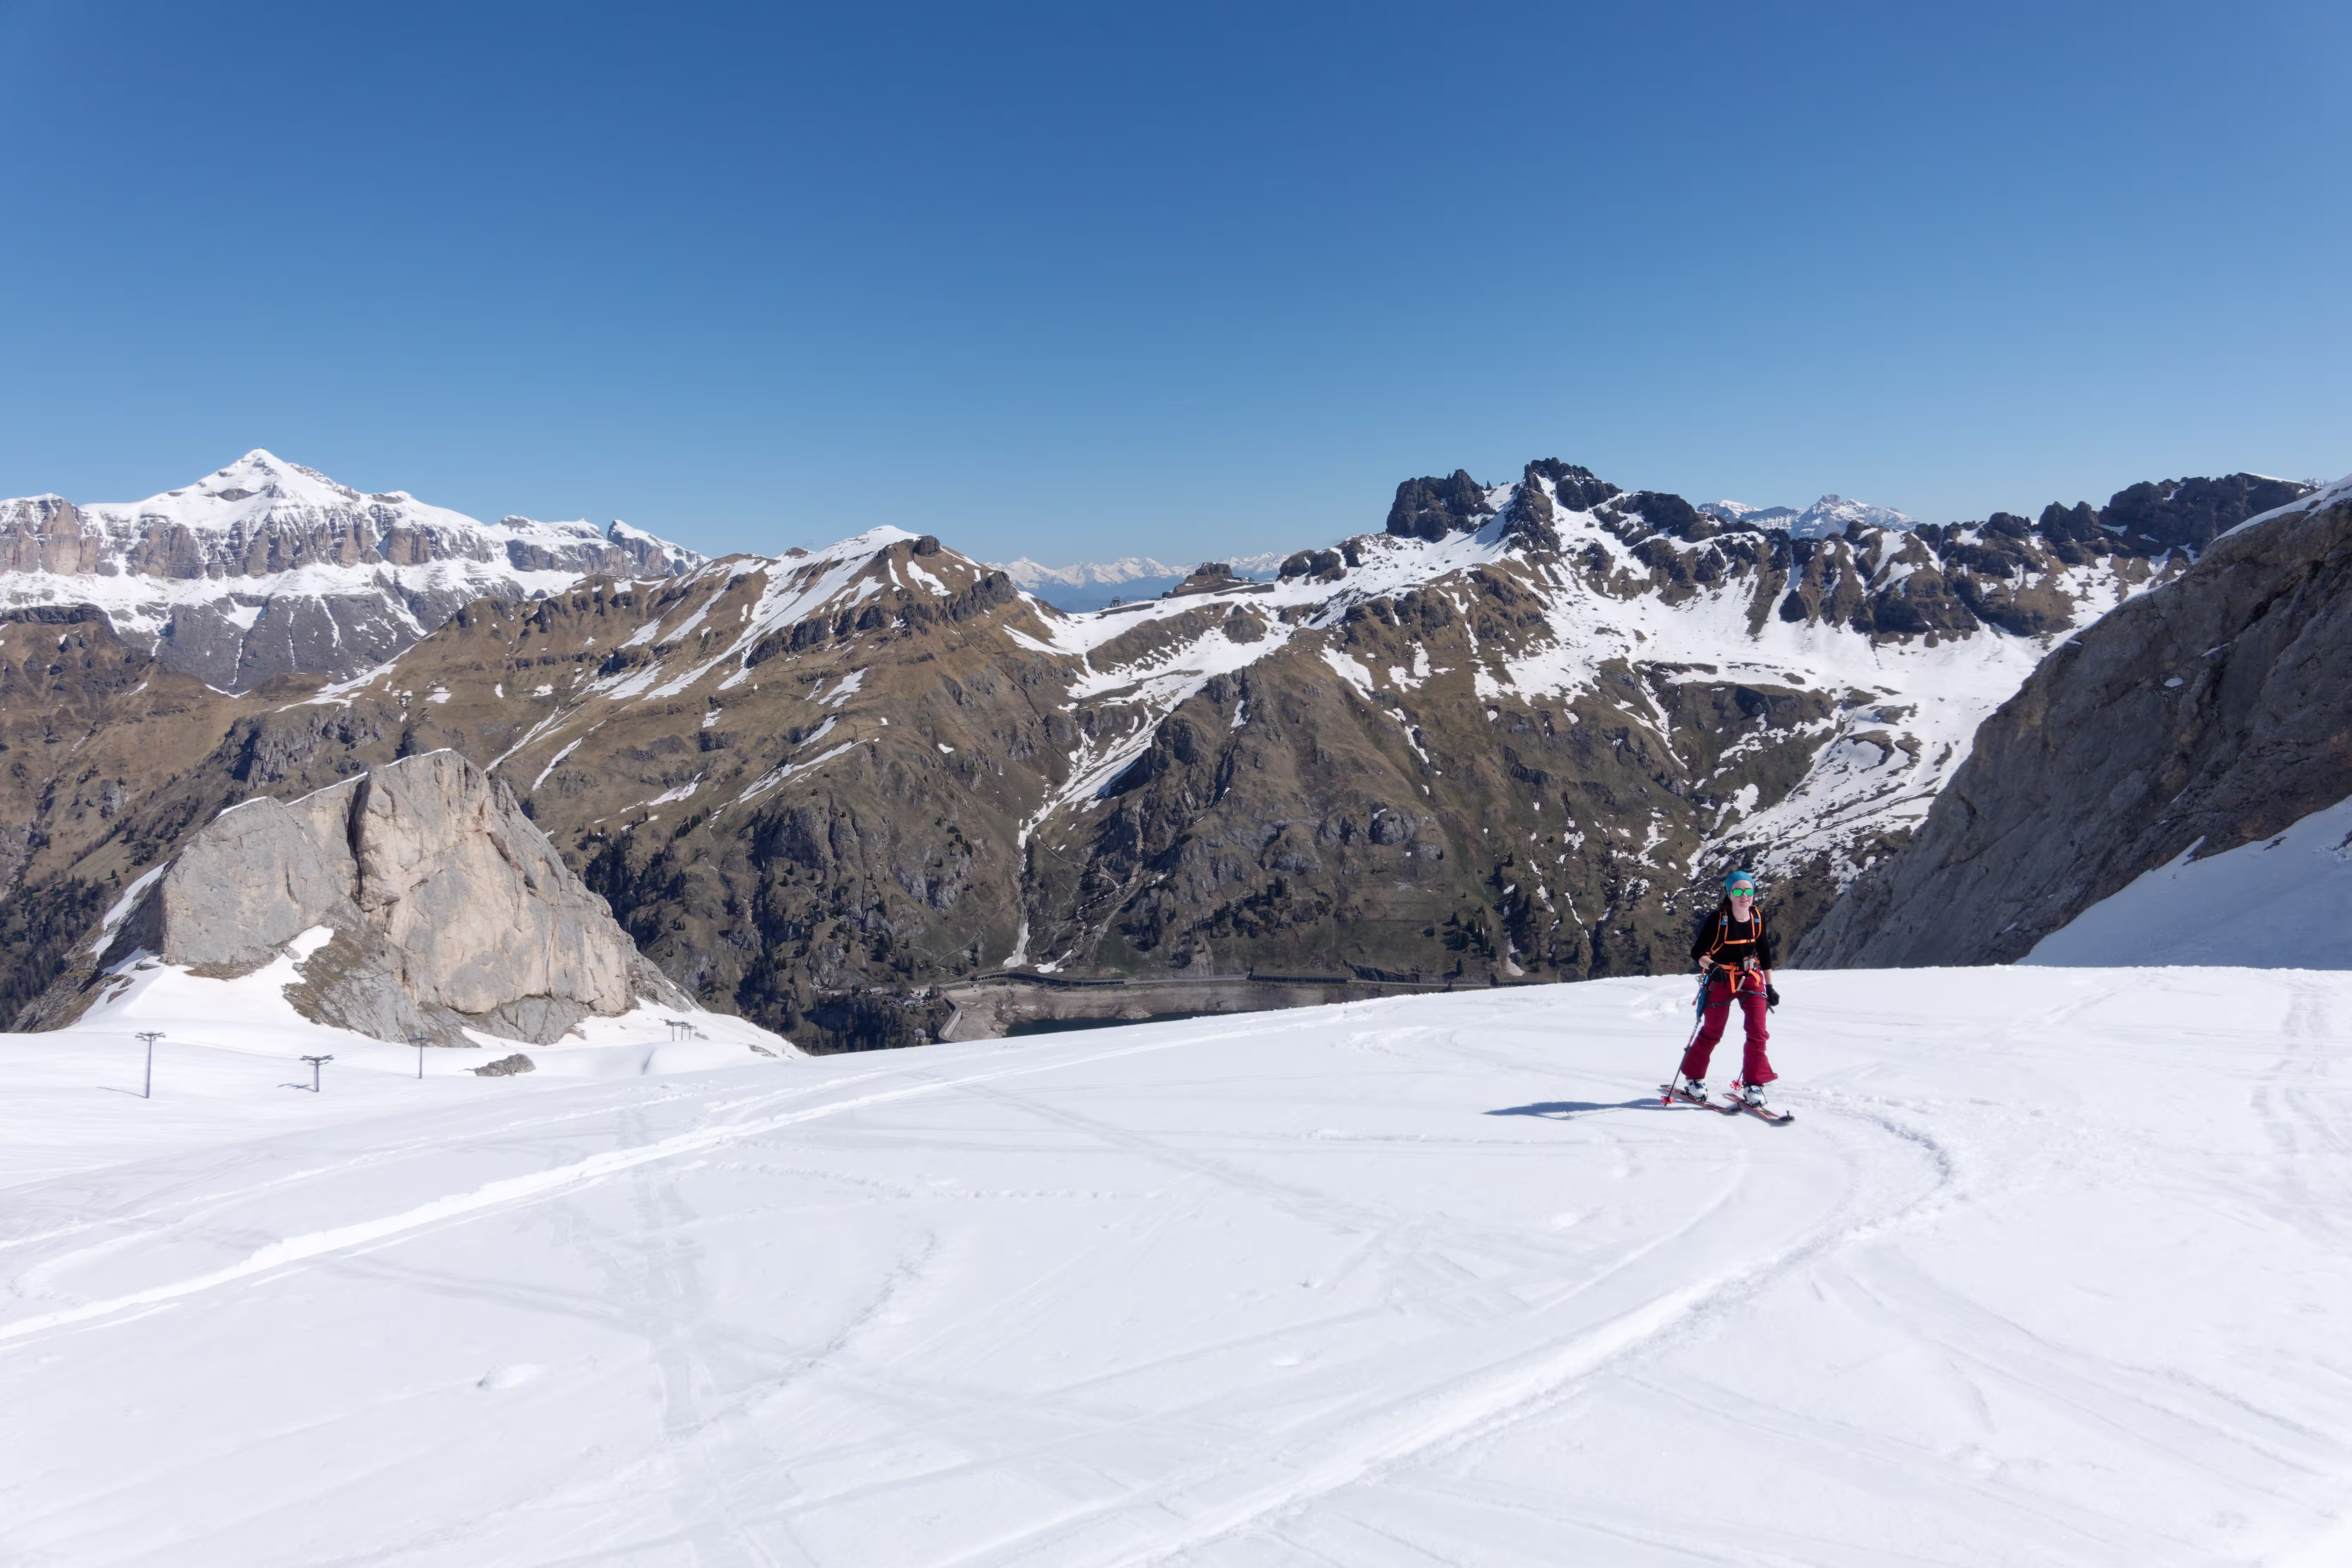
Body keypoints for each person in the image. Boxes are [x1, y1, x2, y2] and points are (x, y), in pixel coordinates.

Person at [1676, 870, 1780, 1107]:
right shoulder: (1719, 919)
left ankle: (1754, 1084)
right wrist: (1712, 967)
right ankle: (1694, 1079)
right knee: (1713, 1032)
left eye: (1749, 891)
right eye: (1738, 891)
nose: (1745, 896)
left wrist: (1770, 987)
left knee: (1758, 1031)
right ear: (1729, 894)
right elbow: (1698, 952)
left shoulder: (1757, 918)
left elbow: (1764, 953)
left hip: (1751, 978)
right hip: (1722, 978)